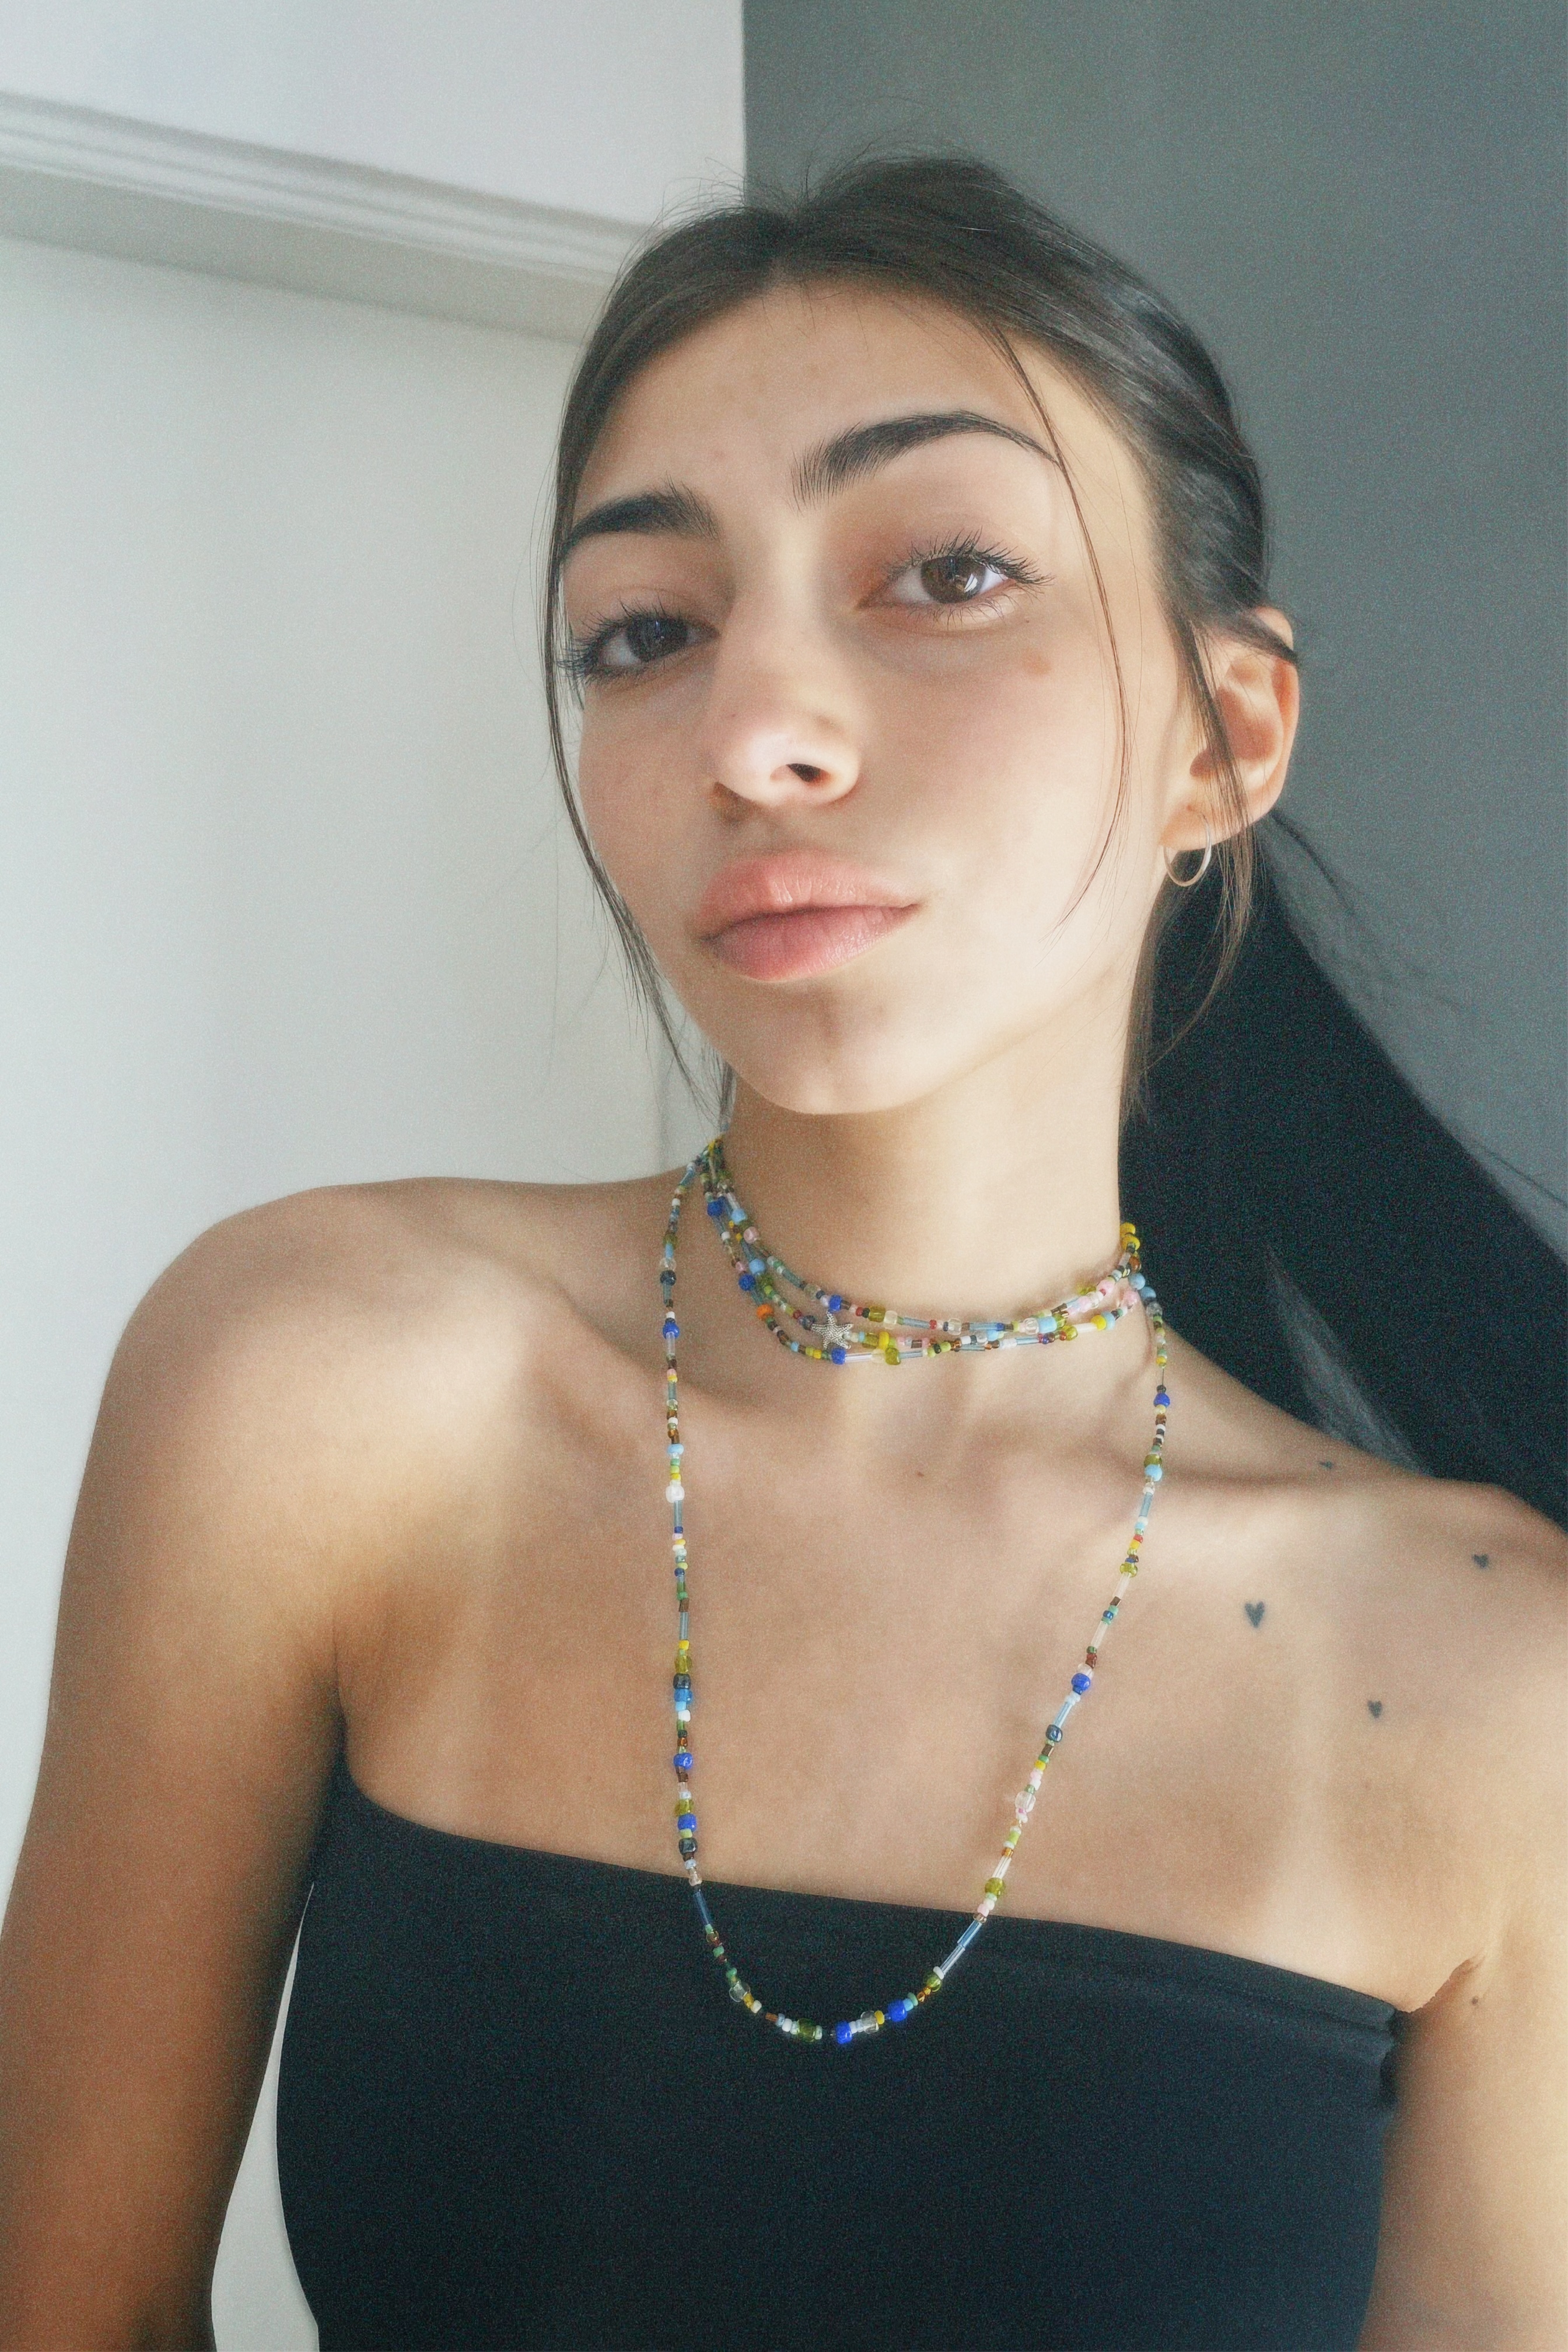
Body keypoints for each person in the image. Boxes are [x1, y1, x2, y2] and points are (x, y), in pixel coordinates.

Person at [0, 155, 1562, 2352]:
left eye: (946, 573)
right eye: (646, 631)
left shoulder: (1492, 1680)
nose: (755, 736)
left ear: (1229, 737)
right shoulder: (319, 1385)